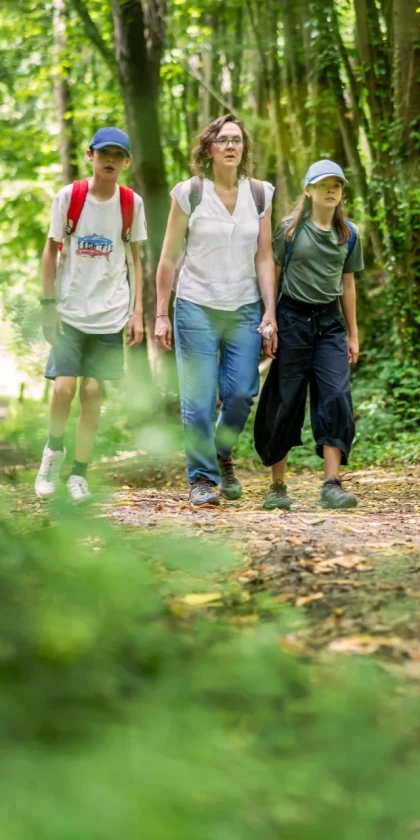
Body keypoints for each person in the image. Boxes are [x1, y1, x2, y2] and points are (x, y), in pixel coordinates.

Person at [155, 114, 277, 506]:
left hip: (243, 308)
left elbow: (264, 257)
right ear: (208, 149)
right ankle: (203, 479)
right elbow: (168, 258)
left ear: (244, 149)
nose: (230, 146)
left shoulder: (259, 194)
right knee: (199, 398)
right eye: (222, 140)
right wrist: (160, 313)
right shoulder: (189, 192)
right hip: (195, 307)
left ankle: (222, 452)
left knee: (241, 393)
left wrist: (270, 312)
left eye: (237, 140)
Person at [34, 127, 147, 502]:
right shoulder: (69, 197)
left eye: (118, 154)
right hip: (70, 311)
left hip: (110, 314)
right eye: (104, 153)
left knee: (94, 392)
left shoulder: (132, 203)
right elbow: (50, 251)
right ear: (90, 156)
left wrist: (137, 313)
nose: (110, 160)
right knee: (63, 389)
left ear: (126, 161)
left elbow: (135, 259)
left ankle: (78, 475)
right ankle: (53, 453)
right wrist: (48, 306)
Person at [254, 159, 364, 510]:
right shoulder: (289, 231)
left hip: (330, 324)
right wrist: (269, 318)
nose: (332, 189)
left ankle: (331, 483)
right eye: (324, 184)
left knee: (335, 395)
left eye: (337, 185)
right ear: (308, 190)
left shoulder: (349, 233)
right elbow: (272, 272)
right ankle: (278, 486)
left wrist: (352, 334)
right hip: (292, 319)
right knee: (286, 399)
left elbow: (348, 285)